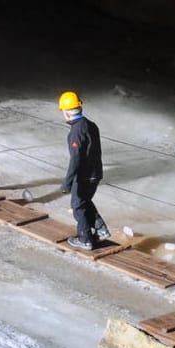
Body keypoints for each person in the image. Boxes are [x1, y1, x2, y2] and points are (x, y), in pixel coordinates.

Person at [59, 90, 111, 250]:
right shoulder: (90, 125)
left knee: (77, 206)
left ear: (67, 112)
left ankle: (85, 239)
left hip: (84, 174)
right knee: (84, 201)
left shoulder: (76, 132)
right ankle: (101, 229)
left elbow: (76, 159)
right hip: (96, 172)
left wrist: (67, 182)